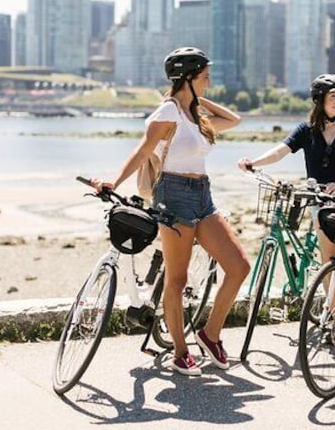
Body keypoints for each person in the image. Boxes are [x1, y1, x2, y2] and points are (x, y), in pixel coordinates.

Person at [93, 47, 250, 376]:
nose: (210, 78)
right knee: (176, 279)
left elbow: (234, 120)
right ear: (189, 76)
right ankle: (180, 351)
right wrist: (114, 181)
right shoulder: (168, 112)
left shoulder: (193, 115)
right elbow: (143, 150)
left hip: (203, 195)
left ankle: (210, 334)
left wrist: (196, 100)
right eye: (204, 74)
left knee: (238, 266)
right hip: (173, 196)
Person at [237, 74, 335, 261]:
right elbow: (280, 151)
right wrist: (253, 163)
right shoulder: (306, 130)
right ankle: (334, 292)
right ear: (319, 99)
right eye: (333, 96)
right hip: (320, 199)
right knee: (329, 256)